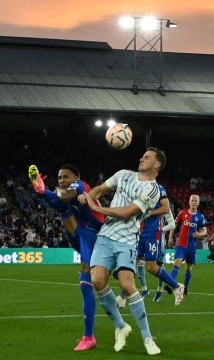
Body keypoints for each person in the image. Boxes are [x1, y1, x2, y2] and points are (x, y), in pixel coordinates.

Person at [80, 148, 169, 356]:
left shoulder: (153, 190)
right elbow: (100, 189)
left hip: (127, 240)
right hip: (105, 236)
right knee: (97, 280)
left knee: (127, 285)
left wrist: (98, 209)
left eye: (146, 157)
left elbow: (128, 212)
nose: (141, 158)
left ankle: (147, 337)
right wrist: (89, 197)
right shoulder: (123, 175)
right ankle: (121, 326)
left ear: (157, 165)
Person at [29, 163, 105, 351]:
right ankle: (93, 334)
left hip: (96, 235)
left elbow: (63, 197)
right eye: (60, 177)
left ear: (76, 178)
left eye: (66, 177)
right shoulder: (69, 192)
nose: (62, 180)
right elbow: (58, 202)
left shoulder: (81, 186)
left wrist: (44, 191)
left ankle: (89, 337)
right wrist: (43, 191)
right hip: (81, 236)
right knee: (63, 209)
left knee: (88, 282)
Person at [118, 183, 183, 305]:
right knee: (132, 262)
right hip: (141, 232)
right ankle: (123, 295)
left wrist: (151, 212)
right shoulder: (137, 188)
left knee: (152, 267)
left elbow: (166, 209)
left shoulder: (158, 188)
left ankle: (176, 286)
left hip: (153, 233)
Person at [168, 194, 208, 295]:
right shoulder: (182, 213)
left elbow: (205, 230)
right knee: (177, 262)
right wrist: (170, 237)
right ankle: (170, 284)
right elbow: (174, 224)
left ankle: (185, 287)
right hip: (181, 244)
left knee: (188, 268)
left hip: (191, 247)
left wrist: (199, 234)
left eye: (195, 201)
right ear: (189, 202)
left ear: (198, 203)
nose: (194, 202)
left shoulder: (200, 217)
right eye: (192, 200)